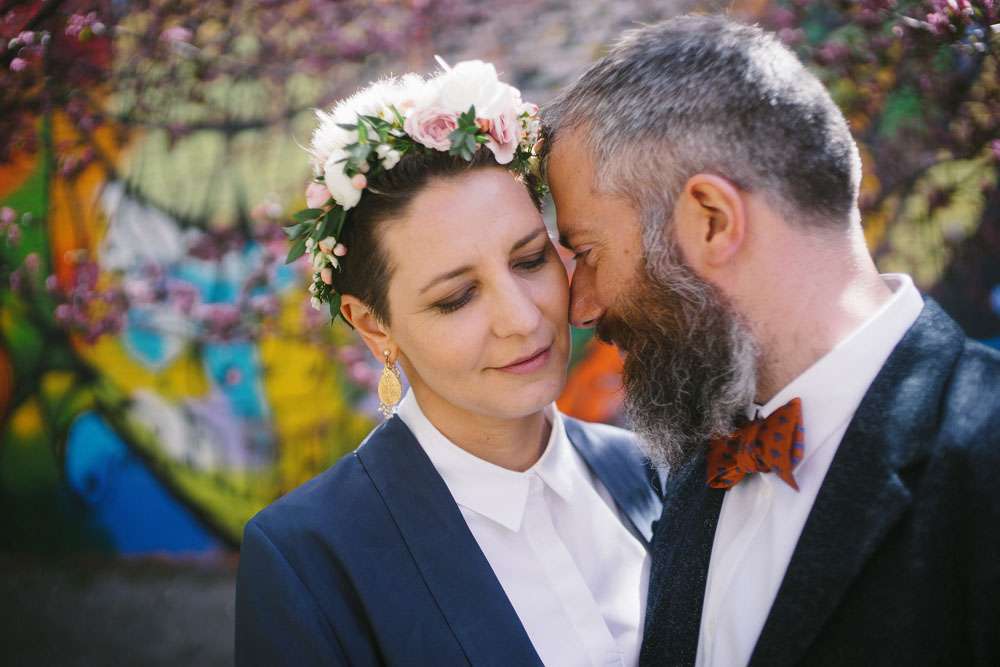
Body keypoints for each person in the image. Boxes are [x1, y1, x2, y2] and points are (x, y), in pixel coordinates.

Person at [542, 15, 1000, 667]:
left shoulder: (983, 456)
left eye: (587, 252)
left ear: (711, 220)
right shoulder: (698, 470)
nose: (581, 306)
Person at [234, 60, 661, 666]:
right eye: (457, 297)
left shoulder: (656, 472)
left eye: (530, 260)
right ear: (373, 325)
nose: (522, 319)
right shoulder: (309, 558)